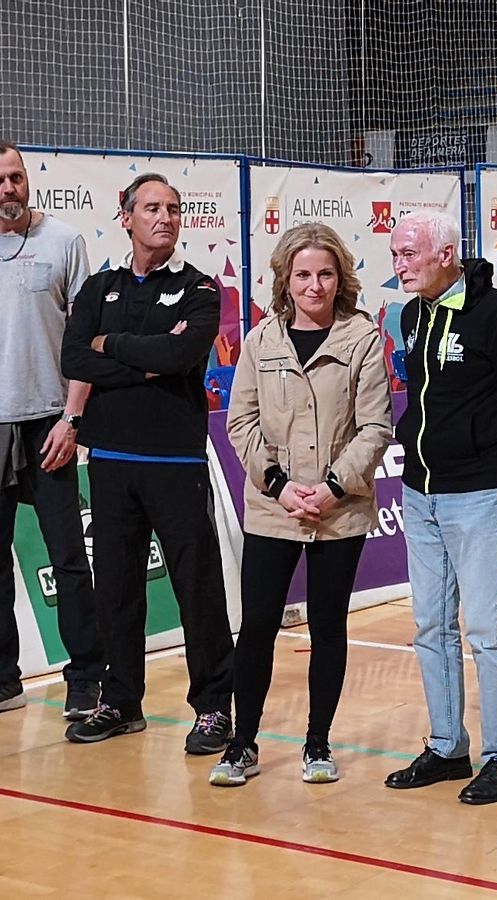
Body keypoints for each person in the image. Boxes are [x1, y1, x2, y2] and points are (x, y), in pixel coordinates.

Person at [209, 223, 392, 787]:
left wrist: (332, 489)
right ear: (285, 280)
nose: (315, 286)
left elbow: (375, 426)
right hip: (273, 507)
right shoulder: (261, 340)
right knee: (259, 624)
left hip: (340, 510)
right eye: (304, 274)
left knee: (327, 625)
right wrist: (280, 485)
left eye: (326, 274)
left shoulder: (361, 337)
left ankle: (318, 744)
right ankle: (242, 745)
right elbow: (240, 421)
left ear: (342, 279)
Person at [59, 172, 235, 753]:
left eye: (174, 208)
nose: (165, 217)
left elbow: (183, 354)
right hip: (109, 461)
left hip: (176, 462)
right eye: (152, 208)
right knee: (115, 588)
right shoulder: (98, 287)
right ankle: (120, 700)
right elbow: (74, 356)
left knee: (198, 588)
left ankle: (212, 708)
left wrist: (114, 347)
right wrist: (145, 359)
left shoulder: (201, 288)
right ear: (126, 216)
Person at [381, 210, 497, 805]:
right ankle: (448, 745)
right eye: (396, 253)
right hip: (420, 493)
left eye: (409, 254)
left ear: (446, 254)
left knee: (485, 630)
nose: (399, 264)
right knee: (430, 624)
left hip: (477, 494)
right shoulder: (412, 314)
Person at [0, 139, 104, 720]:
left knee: (68, 556)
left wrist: (71, 417)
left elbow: (86, 341)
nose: (9, 189)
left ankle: (86, 675)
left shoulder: (64, 242)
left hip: (49, 421)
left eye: (16, 177)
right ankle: (2, 678)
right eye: (0, 180)